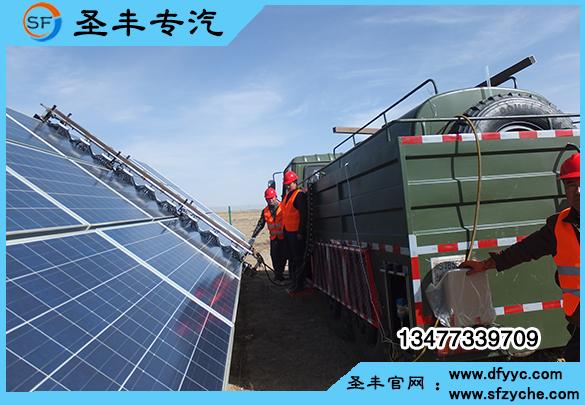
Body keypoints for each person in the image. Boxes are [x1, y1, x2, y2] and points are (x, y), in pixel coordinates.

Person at [461, 153, 580, 361]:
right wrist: (486, 265)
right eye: (571, 184)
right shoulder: (558, 227)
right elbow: (524, 250)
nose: (577, 191)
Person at [249, 187, 286, 281]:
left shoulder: (284, 207)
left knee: (284, 256)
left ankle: (281, 274)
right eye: (268, 199)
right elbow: (260, 224)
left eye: (271, 198)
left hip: (285, 238)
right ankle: (278, 275)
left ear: (276, 196)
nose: (270, 200)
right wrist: (253, 236)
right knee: (274, 256)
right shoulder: (265, 211)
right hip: (274, 238)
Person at [282, 170, 308, 293]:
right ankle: (293, 282)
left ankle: (299, 284)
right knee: (291, 259)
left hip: (296, 234)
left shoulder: (299, 195)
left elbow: (303, 215)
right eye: (286, 184)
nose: (288, 186)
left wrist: (300, 232)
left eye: (289, 184)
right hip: (288, 232)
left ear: (295, 182)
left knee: (298, 259)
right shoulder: (287, 196)